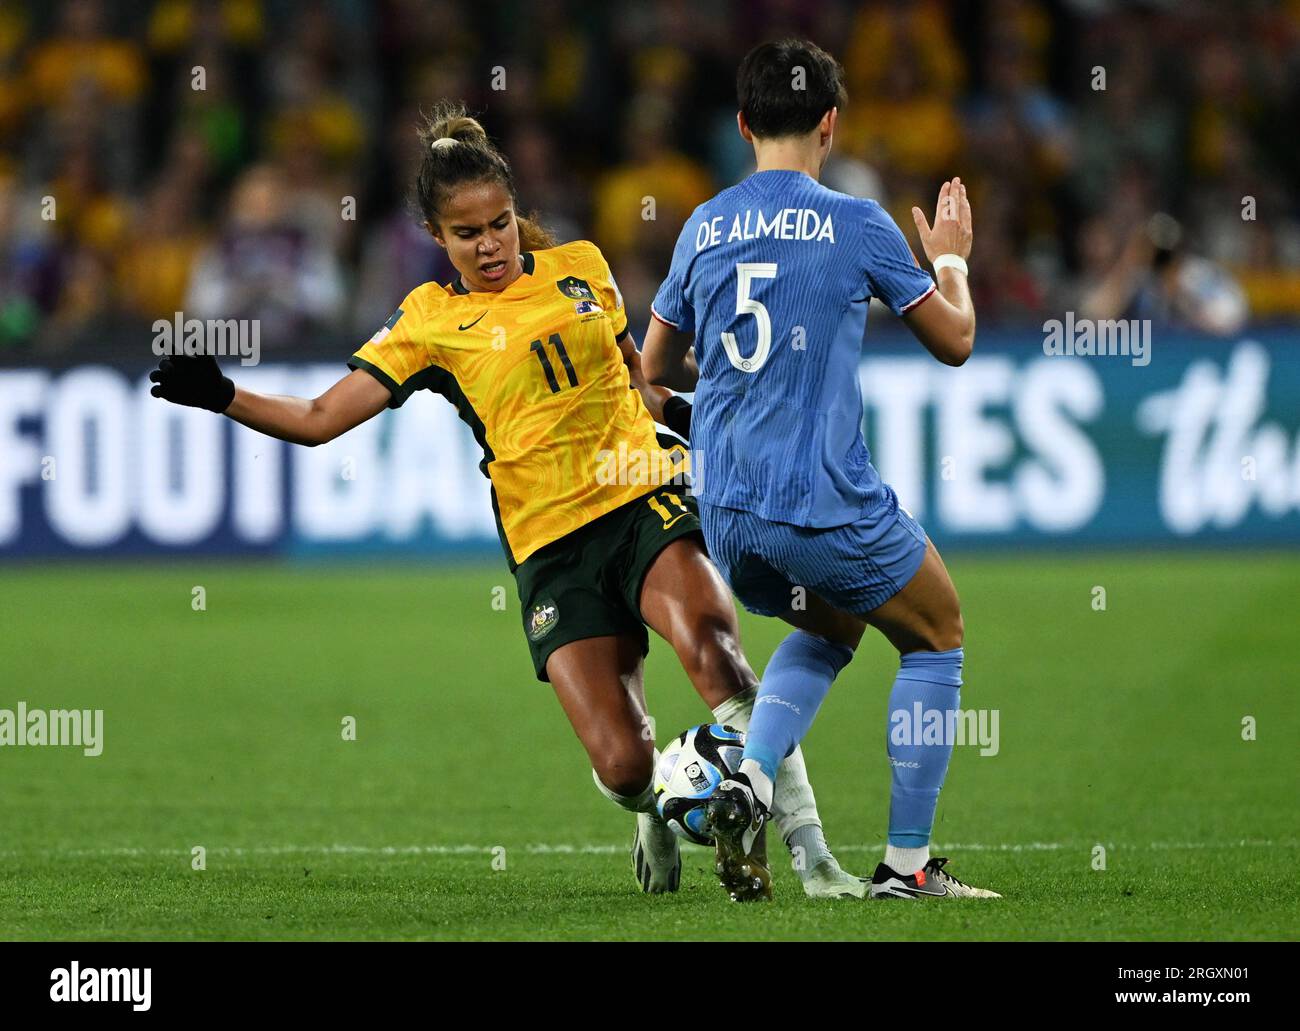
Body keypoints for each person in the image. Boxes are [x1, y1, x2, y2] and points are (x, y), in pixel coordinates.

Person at [151, 102, 866, 899]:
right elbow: (321, 420)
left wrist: (713, 424)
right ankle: (659, 802)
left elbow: (644, 384)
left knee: (716, 652)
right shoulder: (428, 323)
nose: (490, 245)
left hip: (643, 496)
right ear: (436, 236)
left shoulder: (584, 268)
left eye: (499, 224)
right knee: (623, 763)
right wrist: (223, 394)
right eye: (468, 234)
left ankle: (815, 858)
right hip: (551, 546)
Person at [642, 40, 1000, 901]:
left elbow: (654, 366)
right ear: (831, 124)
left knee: (834, 625)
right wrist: (951, 256)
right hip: (818, 498)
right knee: (937, 632)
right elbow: (955, 342)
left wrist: (730, 398)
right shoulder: (858, 221)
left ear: (741, 126)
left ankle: (750, 782)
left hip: (728, 511)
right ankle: (908, 867)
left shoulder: (704, 223)